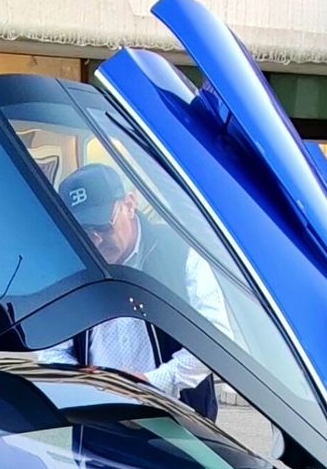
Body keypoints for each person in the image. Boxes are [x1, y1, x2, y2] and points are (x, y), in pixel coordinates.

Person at [54, 162, 229, 420]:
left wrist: (152, 382)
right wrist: (81, 383)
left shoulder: (180, 253)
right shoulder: (71, 265)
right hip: (97, 421)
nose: (95, 239)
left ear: (129, 204)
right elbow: (53, 346)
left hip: (179, 424)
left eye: (102, 226)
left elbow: (215, 338)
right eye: (82, 231)